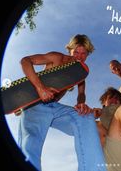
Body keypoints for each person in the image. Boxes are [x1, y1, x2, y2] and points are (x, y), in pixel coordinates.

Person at [18, 34, 106, 171]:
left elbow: (81, 94)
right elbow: (25, 61)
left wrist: (81, 104)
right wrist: (40, 89)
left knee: (85, 117)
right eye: (76, 52)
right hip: (36, 104)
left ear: (88, 55)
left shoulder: (81, 73)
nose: (79, 56)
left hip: (55, 108)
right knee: (31, 141)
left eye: (84, 54)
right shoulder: (57, 58)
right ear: (70, 50)